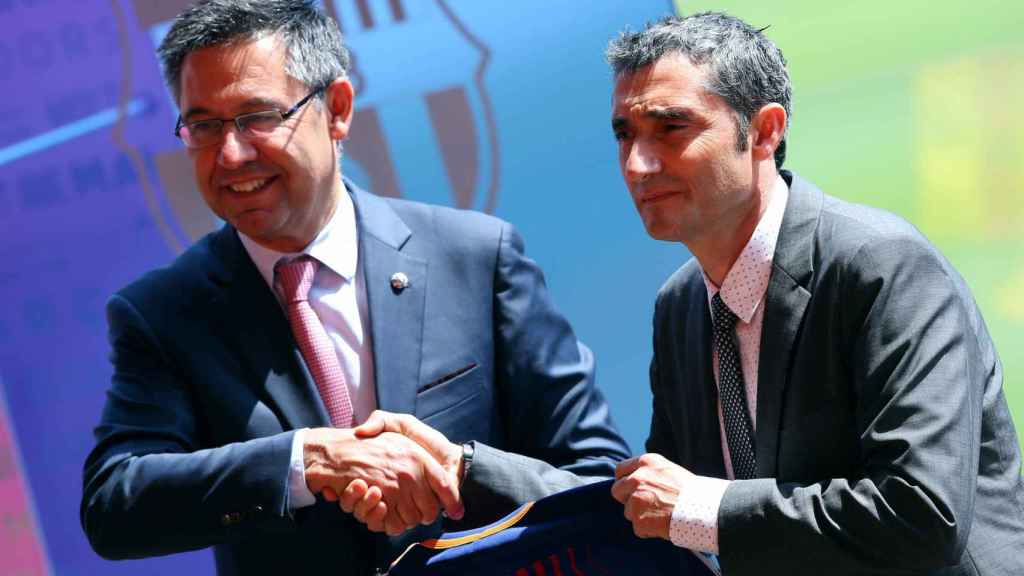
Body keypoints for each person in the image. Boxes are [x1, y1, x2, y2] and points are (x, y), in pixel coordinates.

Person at [80, 1, 629, 574]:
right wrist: (309, 459)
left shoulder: (475, 258)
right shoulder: (166, 313)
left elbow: (596, 477)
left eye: (256, 117)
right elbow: (116, 502)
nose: (231, 154)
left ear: (337, 109)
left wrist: (460, 469)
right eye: (204, 125)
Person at [606, 12, 1024, 576]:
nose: (638, 164)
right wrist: (469, 471)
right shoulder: (679, 304)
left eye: (671, 128)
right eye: (625, 135)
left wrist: (706, 507)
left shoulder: (883, 264)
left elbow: (924, 514)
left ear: (764, 131)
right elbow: (654, 497)